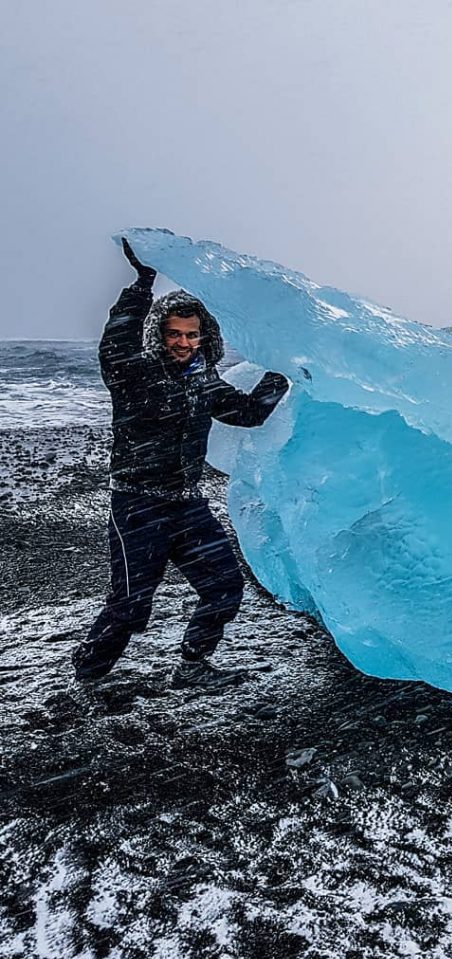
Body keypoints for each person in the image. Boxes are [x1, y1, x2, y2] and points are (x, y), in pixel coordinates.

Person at [71, 239, 289, 689]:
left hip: (187, 507)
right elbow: (116, 341)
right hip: (138, 507)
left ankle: (192, 665)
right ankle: (89, 672)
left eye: (192, 335)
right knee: (130, 604)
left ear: (203, 337)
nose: (184, 342)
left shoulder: (204, 382)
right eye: (175, 333)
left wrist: (281, 372)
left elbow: (247, 412)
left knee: (225, 589)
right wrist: (143, 282)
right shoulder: (133, 374)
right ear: (160, 334)